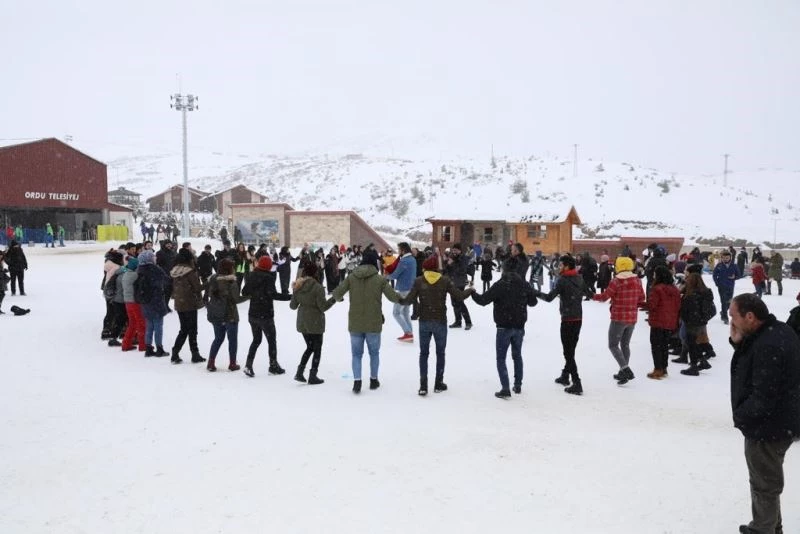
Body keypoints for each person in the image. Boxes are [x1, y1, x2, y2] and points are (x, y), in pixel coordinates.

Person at [729, 294, 800, 534]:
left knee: (764, 484)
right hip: (780, 422)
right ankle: (771, 526)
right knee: (766, 480)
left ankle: (763, 529)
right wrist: (739, 343)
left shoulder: (768, 343)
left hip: (769, 427)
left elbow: (764, 396)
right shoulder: (776, 331)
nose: (731, 322)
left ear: (750, 316)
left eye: (733, 316)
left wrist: (741, 415)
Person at [398, 254, 473, 395]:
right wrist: (470, 290)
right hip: (440, 321)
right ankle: (438, 383)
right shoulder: (445, 280)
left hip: (424, 321)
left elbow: (408, 301)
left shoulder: (419, 281)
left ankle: (423, 386)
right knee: (440, 353)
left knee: (424, 354)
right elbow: (460, 296)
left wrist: (398, 299)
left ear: (425, 268)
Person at [331, 248, 401, 394]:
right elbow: (393, 297)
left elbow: (337, 294)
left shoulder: (351, 277)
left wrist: (340, 299)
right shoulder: (379, 279)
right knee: (374, 353)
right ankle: (373, 380)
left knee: (356, 354)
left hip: (355, 322)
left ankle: (357, 382)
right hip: (373, 323)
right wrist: (406, 298)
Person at [471, 257, 538, 399]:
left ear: (505, 268)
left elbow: (483, 301)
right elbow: (533, 302)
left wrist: (472, 293)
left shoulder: (501, 284)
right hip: (519, 326)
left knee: (501, 358)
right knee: (517, 355)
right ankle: (518, 384)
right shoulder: (523, 284)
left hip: (503, 326)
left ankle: (505, 388)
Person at [533, 254, 588, 395]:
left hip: (567, 320)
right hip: (578, 318)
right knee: (571, 349)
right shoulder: (579, 278)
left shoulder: (562, 280)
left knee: (568, 352)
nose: (559, 267)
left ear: (567, 266)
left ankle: (577, 382)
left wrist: (534, 292)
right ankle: (565, 375)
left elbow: (550, 297)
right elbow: (588, 292)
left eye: (561, 265)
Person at [593, 256, 646, 385]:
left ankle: (625, 369)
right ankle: (623, 373)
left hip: (618, 318)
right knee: (625, 345)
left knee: (613, 345)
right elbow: (641, 298)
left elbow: (604, 297)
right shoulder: (638, 281)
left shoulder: (616, 282)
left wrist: (591, 295)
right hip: (632, 318)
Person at [241, 255, 292, 377]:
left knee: (256, 340)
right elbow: (273, 294)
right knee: (271, 340)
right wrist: (290, 297)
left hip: (253, 314)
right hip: (265, 315)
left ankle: (248, 365)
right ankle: (273, 365)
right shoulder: (269, 278)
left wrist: (255, 292)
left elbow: (244, 292)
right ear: (269, 266)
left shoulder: (252, 275)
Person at [290, 262, 337, 385]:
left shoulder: (298, 286)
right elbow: (323, 307)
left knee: (310, 347)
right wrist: (334, 299)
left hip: (303, 322)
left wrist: (295, 293)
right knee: (317, 348)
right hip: (315, 322)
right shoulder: (318, 287)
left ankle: (300, 372)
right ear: (316, 272)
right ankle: (312, 375)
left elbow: (293, 306)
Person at [205, 258, 249, 372]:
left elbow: (210, 294)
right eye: (232, 267)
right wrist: (249, 296)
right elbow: (236, 299)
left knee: (218, 338)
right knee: (232, 340)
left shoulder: (213, 279)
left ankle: (211, 362)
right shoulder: (231, 282)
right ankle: (232, 363)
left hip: (216, 313)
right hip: (230, 314)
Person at [640, 266, 681, 379]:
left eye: (655, 274)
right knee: (664, 346)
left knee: (656, 346)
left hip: (658, 321)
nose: (653, 276)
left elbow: (652, 305)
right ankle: (664, 367)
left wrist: (639, 303)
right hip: (669, 321)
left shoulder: (657, 289)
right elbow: (678, 305)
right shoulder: (674, 289)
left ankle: (658, 369)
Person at [169, 248, 206, 364]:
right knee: (193, 329)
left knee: (184, 329)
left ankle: (175, 352)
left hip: (179, 304)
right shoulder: (190, 272)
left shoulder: (175, 270)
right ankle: (195, 353)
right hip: (190, 303)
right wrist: (208, 282)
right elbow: (197, 288)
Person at [136, 250, 171, 357]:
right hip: (156, 301)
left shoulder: (140, 270)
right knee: (158, 326)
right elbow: (165, 281)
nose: (155, 258)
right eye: (153, 256)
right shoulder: (154, 270)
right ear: (149, 259)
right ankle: (159, 348)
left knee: (149, 325)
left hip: (145, 301)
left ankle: (148, 348)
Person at [386, 242, 417, 342]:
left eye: (399, 249)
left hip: (403, 290)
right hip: (411, 289)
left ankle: (408, 332)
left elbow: (395, 275)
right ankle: (409, 333)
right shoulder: (412, 259)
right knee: (405, 312)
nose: (398, 251)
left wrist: (386, 276)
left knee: (396, 313)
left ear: (403, 250)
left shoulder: (404, 261)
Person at [444, 243, 473, 330]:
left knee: (460, 302)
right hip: (452, 283)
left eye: (456, 250)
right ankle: (458, 321)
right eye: (453, 250)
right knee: (454, 303)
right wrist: (447, 264)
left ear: (460, 250)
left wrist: (452, 264)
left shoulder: (463, 258)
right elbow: (447, 270)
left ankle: (468, 322)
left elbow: (462, 270)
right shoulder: (452, 257)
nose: (454, 251)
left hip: (460, 283)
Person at [120, 256, 146, 353]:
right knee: (141, 323)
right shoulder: (134, 275)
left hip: (127, 302)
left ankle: (125, 344)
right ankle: (143, 345)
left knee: (132, 324)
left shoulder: (126, 274)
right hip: (135, 302)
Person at [712, 250, 740, 325]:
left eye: (727, 258)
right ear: (722, 258)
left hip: (730, 286)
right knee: (723, 302)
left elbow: (739, 275)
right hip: (721, 286)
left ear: (730, 258)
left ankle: (723, 312)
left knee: (729, 302)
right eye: (724, 258)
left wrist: (735, 277)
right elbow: (714, 275)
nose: (725, 259)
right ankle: (725, 317)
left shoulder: (734, 265)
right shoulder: (719, 265)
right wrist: (717, 283)